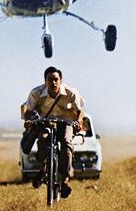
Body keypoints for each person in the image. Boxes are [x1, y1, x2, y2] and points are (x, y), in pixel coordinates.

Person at [21, 66, 85, 198]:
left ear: (61, 80)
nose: (53, 83)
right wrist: (28, 121)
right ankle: (44, 166)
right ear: (45, 81)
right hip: (46, 122)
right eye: (50, 80)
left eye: (56, 79)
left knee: (67, 143)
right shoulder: (36, 93)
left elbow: (79, 112)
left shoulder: (71, 93)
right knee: (43, 139)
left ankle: (65, 179)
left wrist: (78, 122)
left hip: (66, 123)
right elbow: (28, 111)